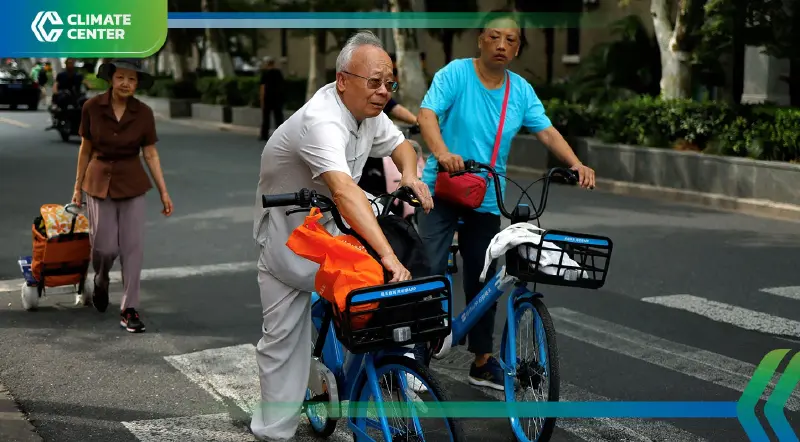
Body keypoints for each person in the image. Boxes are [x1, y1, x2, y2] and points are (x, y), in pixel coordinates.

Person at [250, 30, 433, 441]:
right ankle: (272, 433)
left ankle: (401, 367)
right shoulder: (322, 119)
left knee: (391, 283)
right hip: (288, 233)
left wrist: (407, 176)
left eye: (389, 83)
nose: (383, 91)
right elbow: (344, 190)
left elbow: (402, 145)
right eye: (374, 82)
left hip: (335, 224)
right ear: (343, 80)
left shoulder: (366, 110)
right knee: (283, 339)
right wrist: (387, 255)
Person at [415, 8, 596, 391]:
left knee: (484, 277)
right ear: (480, 39)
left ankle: (482, 360)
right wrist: (443, 152)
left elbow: (545, 131)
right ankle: (415, 353)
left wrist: (577, 164)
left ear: (517, 49)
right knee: (429, 266)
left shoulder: (520, 91)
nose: (501, 45)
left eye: (511, 40)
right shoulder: (455, 74)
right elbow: (427, 114)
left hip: (485, 194)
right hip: (441, 189)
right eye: (494, 36)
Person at [70, 58, 174, 334]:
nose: (126, 83)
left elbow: (150, 153)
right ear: (111, 79)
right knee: (103, 247)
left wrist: (164, 191)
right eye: (121, 77)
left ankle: (129, 308)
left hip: (132, 182)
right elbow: (85, 149)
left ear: (137, 83)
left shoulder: (144, 113)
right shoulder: (92, 108)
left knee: (132, 249)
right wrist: (77, 187)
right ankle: (101, 279)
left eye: (132, 79)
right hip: (98, 180)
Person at [259, 56, 286, 140]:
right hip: (277, 98)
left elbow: (262, 87)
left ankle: (264, 135)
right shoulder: (278, 73)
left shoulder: (265, 73)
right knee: (278, 117)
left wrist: (261, 99)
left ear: (266, 64)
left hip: (268, 98)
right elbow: (282, 86)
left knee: (266, 117)